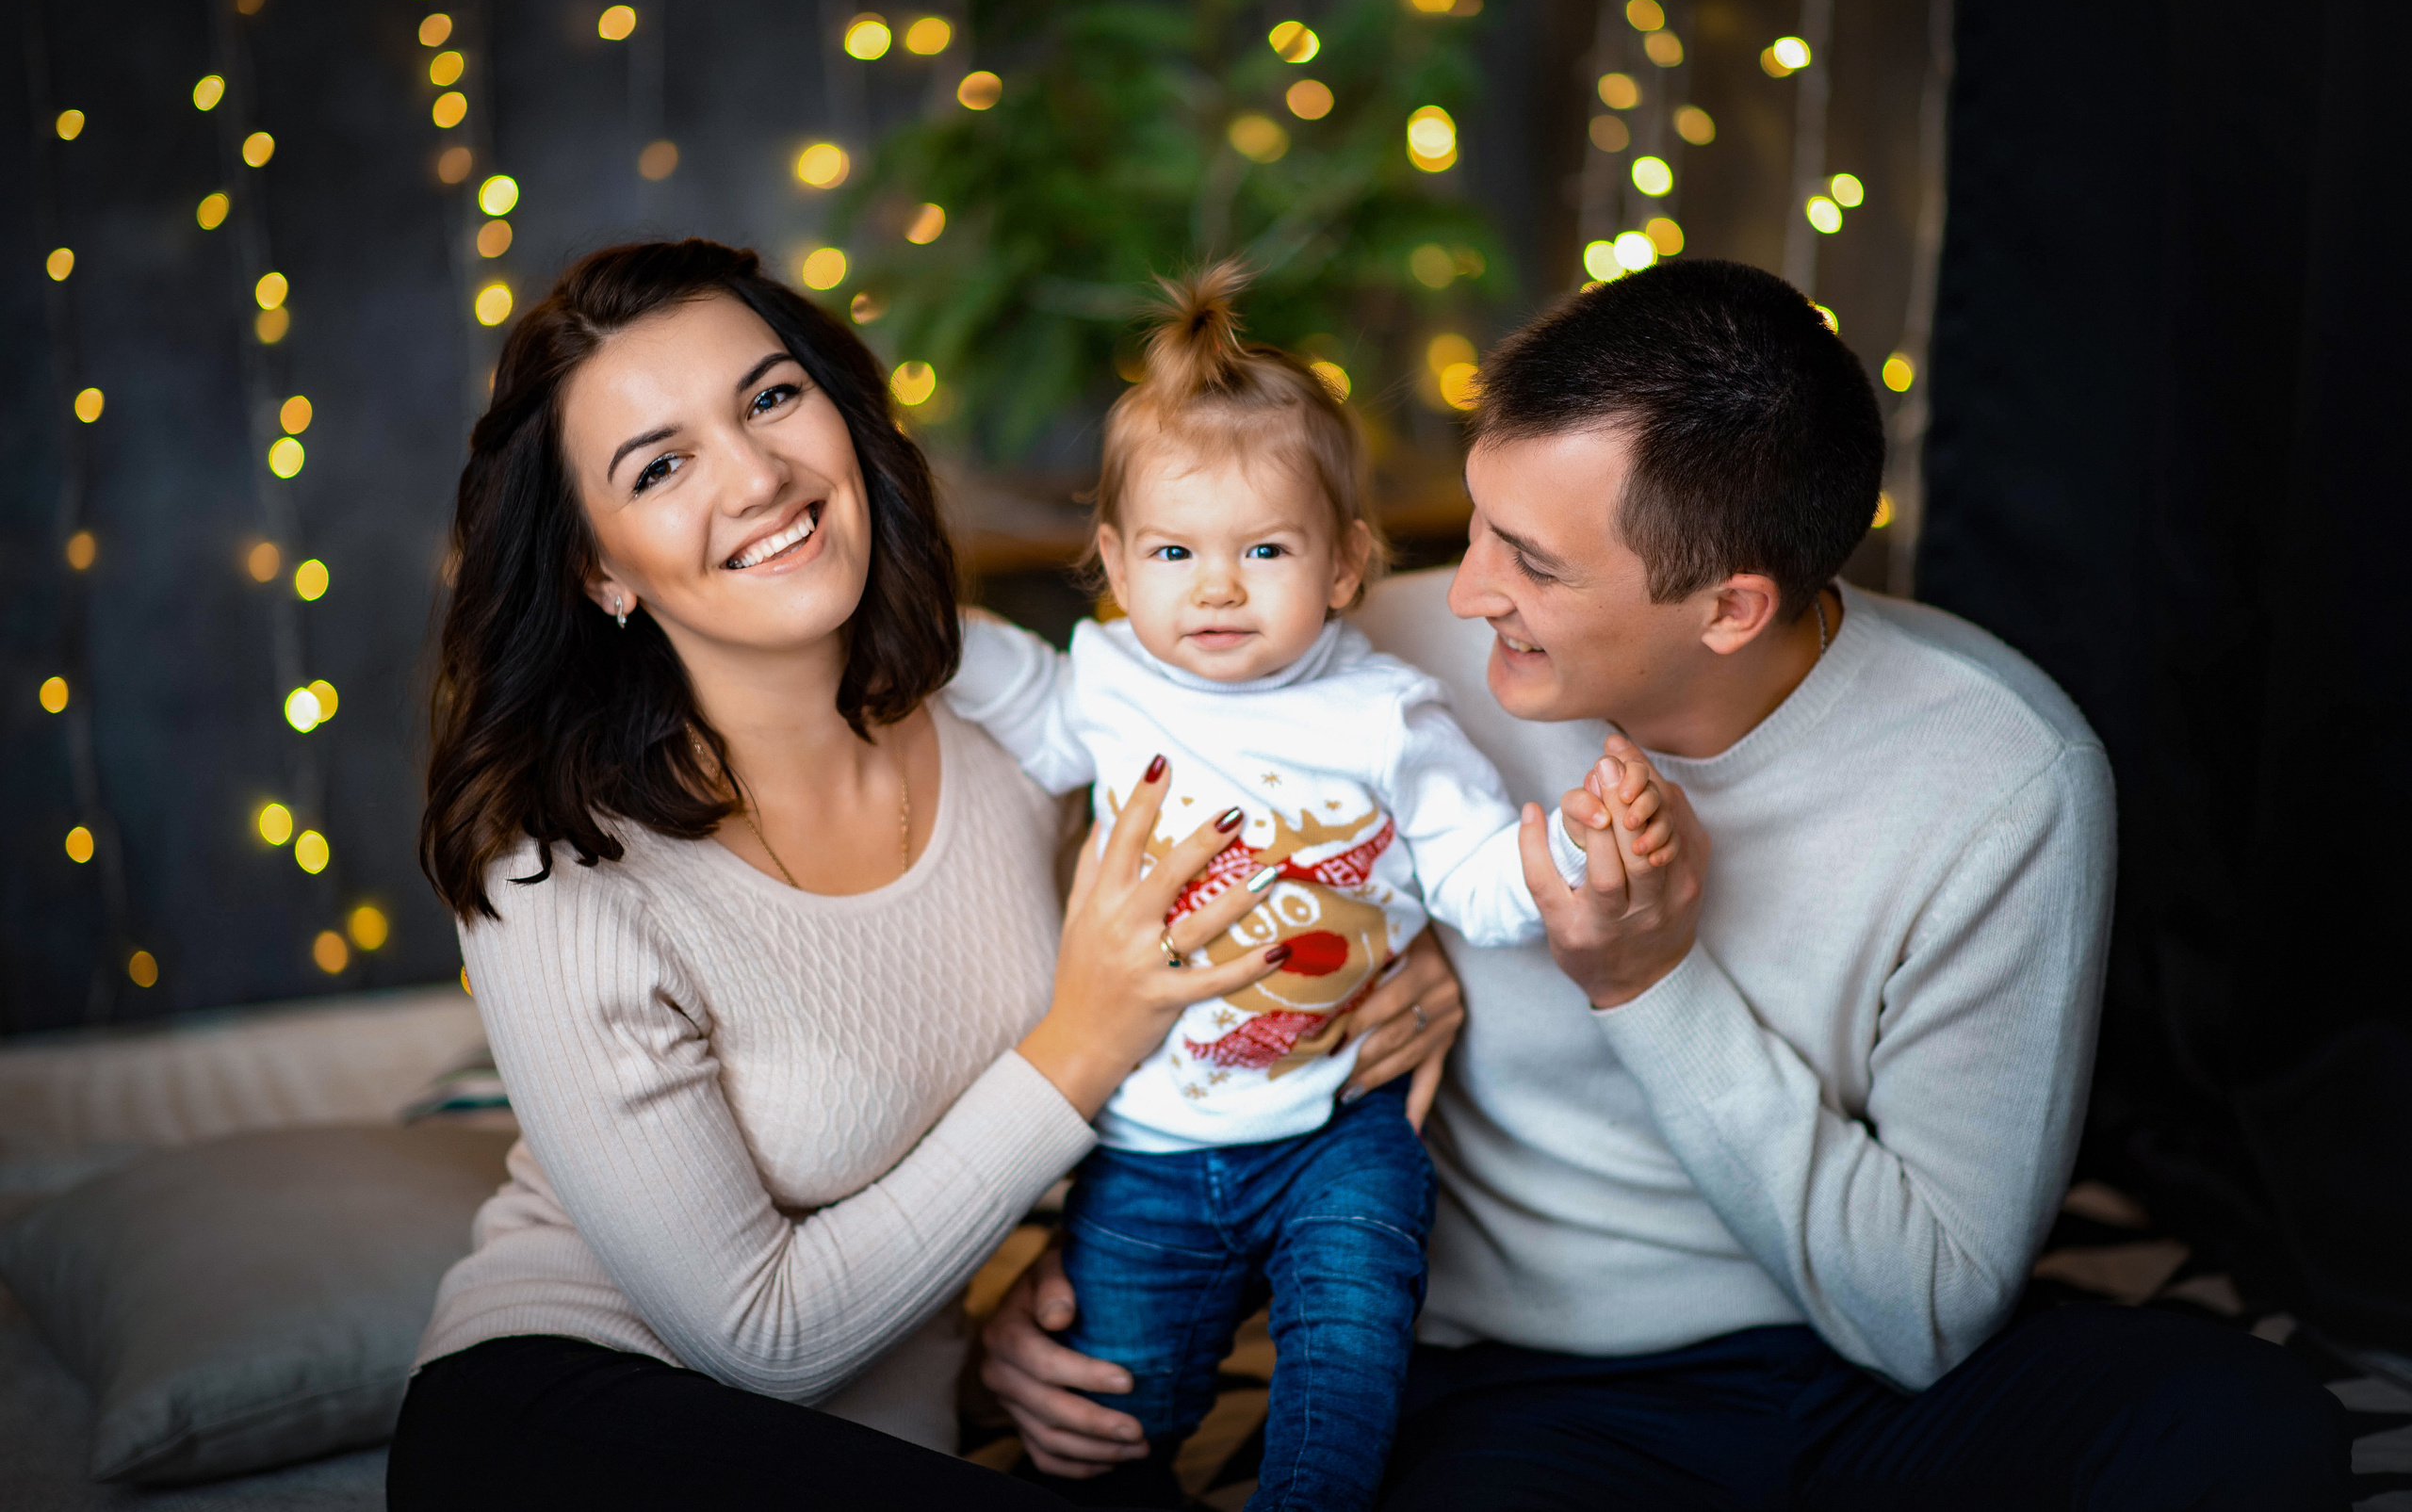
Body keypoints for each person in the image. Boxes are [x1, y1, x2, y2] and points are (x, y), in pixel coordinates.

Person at [976, 259, 2350, 1509]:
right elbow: (1142, 919)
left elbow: (1928, 1309)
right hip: (1530, 1391)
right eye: (1477, 524)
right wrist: (1080, 1294)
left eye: (1532, 560)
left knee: (2248, 1431)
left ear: (1729, 605)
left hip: (1868, 1375)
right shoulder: (1343, 666)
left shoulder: (2005, 773)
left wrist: (1645, 978)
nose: (1460, 593)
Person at [384, 238, 1463, 1511]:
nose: (758, 475)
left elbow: (1258, 819)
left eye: (772, 396)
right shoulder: (560, 870)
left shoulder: (998, 703)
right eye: (662, 464)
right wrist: (1083, 1039)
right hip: (570, 1414)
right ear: (600, 567)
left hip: (896, 1425)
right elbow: (760, 1336)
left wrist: (1401, 940)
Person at [942, 264, 1644, 1512]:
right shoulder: (1104, 683)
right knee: (1110, 1408)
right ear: (1111, 560)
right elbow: (983, 676)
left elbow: (1474, 874)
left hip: (1338, 1123)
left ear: (1344, 565)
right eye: (1173, 550)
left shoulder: (1384, 715)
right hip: (1150, 1135)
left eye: (1264, 548)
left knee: (1350, 1356)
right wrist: (900, 625)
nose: (1217, 585)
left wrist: (1569, 858)